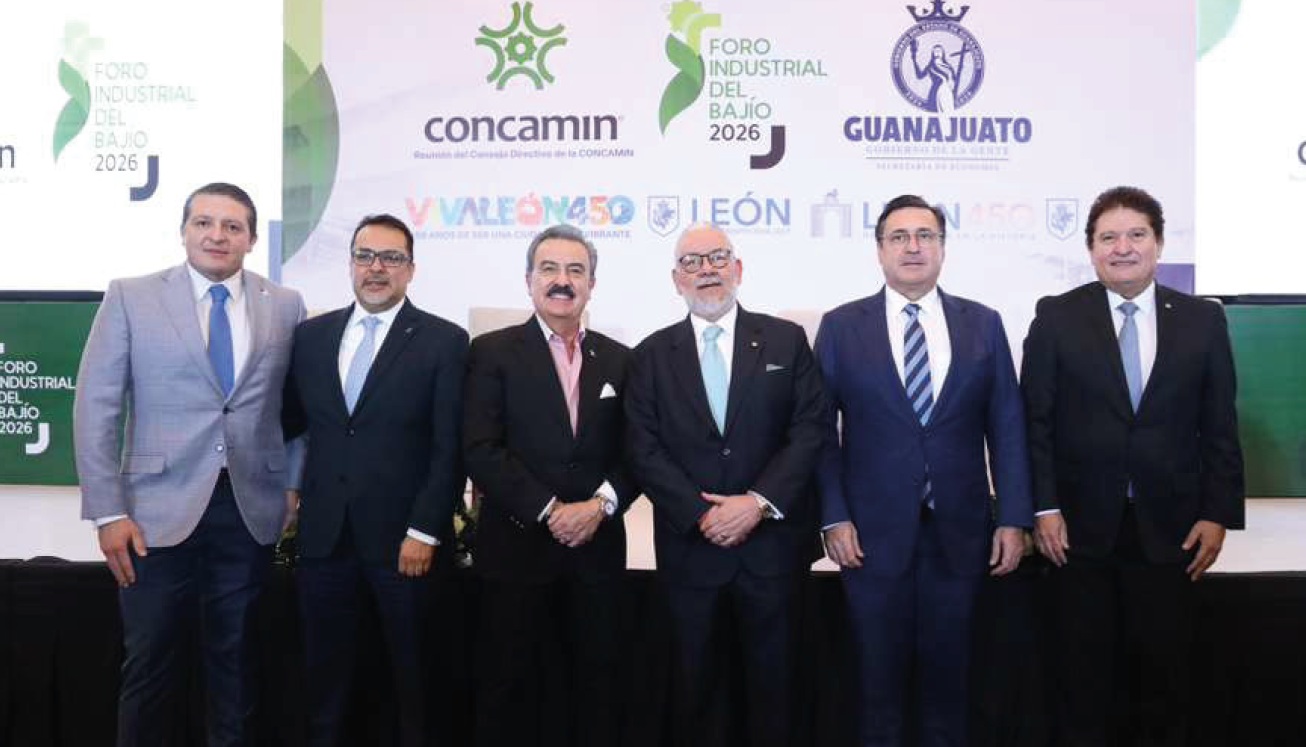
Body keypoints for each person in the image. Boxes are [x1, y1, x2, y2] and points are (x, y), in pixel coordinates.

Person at [73, 182, 306, 746]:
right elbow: (96, 405)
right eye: (204, 223)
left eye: (232, 226)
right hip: (152, 514)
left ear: (252, 239)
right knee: (151, 662)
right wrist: (108, 512)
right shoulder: (131, 296)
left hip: (249, 510)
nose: (217, 235)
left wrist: (292, 486)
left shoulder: (285, 304)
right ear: (183, 231)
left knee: (237, 663)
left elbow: (300, 408)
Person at [1021, 186, 1244, 747]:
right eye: (1108, 237)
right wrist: (1042, 508)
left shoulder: (1202, 320)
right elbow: (1034, 423)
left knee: (1165, 682)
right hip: (1075, 534)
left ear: (1159, 243)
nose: (1123, 247)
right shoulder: (1056, 317)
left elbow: (1219, 423)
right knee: (1082, 683)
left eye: (1136, 234)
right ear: (1091, 249)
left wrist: (1217, 513)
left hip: (1172, 530)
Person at [816, 194, 1032, 747]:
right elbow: (818, 434)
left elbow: (1007, 427)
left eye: (925, 236)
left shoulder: (983, 324)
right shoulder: (841, 327)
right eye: (899, 237)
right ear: (879, 250)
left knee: (951, 684)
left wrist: (1013, 517)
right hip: (869, 538)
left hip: (961, 534)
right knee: (876, 684)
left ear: (942, 247)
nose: (913, 247)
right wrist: (833, 516)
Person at [625, 222, 826, 747]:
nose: (706, 270)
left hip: (773, 554)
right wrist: (701, 514)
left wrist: (757, 503)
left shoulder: (786, 340)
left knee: (777, 697)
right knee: (698, 697)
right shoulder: (650, 355)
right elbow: (642, 448)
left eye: (717, 258)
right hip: (692, 556)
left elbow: (810, 430)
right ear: (676, 279)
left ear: (738, 268)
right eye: (691, 262)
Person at [282, 213, 468, 747]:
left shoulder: (444, 341)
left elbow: (449, 447)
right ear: (350, 264)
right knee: (326, 683)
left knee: (415, 683)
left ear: (411, 269)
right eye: (365, 256)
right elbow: (291, 425)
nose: (376, 268)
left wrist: (425, 531)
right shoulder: (310, 338)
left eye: (391, 258)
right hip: (324, 543)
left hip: (406, 544)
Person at [462, 224, 636, 747]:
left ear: (592, 284)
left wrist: (599, 507)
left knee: (597, 690)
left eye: (576, 270)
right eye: (550, 269)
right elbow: (481, 448)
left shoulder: (622, 359)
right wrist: (550, 509)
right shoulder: (490, 352)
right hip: (515, 551)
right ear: (529, 280)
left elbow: (638, 453)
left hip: (597, 554)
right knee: (506, 687)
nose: (563, 281)